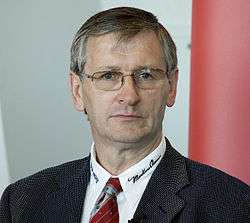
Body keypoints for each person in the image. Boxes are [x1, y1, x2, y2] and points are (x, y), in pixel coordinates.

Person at [0, 7, 249, 223]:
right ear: (78, 91)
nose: (129, 96)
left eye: (146, 75)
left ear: (171, 87)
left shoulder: (233, 205)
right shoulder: (22, 203)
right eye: (108, 76)